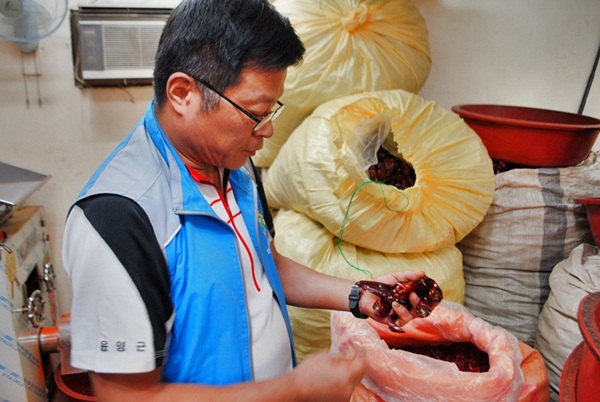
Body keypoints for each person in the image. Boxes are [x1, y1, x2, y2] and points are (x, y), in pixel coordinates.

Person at [62, 0, 425, 401]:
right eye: (256, 112)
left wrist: (359, 295)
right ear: (183, 93)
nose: (267, 130)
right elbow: (125, 397)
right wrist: (295, 389)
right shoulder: (119, 217)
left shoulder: (233, 163)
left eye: (272, 110)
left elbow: (260, 262)